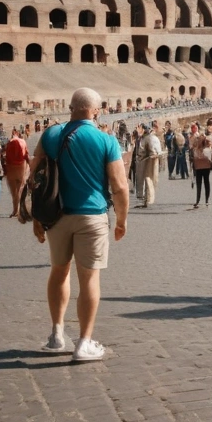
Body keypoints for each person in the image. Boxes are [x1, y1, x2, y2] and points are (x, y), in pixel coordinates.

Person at [31, 88, 129, 362]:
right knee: (89, 279)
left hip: (57, 215)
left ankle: (56, 334)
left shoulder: (50, 134)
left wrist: (36, 216)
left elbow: (35, 177)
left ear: (70, 107)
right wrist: (122, 220)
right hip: (91, 216)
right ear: (95, 111)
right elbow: (120, 187)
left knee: (59, 272)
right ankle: (84, 342)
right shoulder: (105, 140)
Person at [135, 124, 162, 208]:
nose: (137, 129)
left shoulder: (148, 138)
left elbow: (152, 151)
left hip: (146, 163)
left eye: (139, 128)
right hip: (142, 162)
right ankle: (144, 200)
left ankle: (147, 200)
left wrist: (151, 157)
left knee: (147, 181)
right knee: (143, 181)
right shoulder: (142, 138)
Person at [4, 128, 29, 218]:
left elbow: (6, 157)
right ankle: (18, 210)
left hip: (11, 168)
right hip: (21, 167)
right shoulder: (23, 142)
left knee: (13, 191)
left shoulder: (9, 143)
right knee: (19, 190)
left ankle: (15, 210)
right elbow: (26, 155)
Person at [191, 125, 212, 209]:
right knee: (205, 182)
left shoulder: (203, 141)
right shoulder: (204, 141)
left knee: (201, 183)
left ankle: (200, 200)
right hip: (204, 165)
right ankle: (204, 201)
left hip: (200, 165)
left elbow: (192, 148)